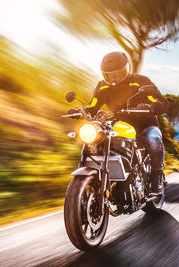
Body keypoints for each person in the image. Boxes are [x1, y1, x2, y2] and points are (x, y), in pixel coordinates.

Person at [70, 51, 169, 194]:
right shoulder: (102, 86)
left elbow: (162, 103)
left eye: (119, 73)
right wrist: (80, 110)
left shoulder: (141, 81)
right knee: (96, 141)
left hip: (145, 125)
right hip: (118, 126)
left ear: (127, 68)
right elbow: (93, 105)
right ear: (104, 74)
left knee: (154, 140)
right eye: (110, 74)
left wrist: (150, 107)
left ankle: (156, 177)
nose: (115, 78)